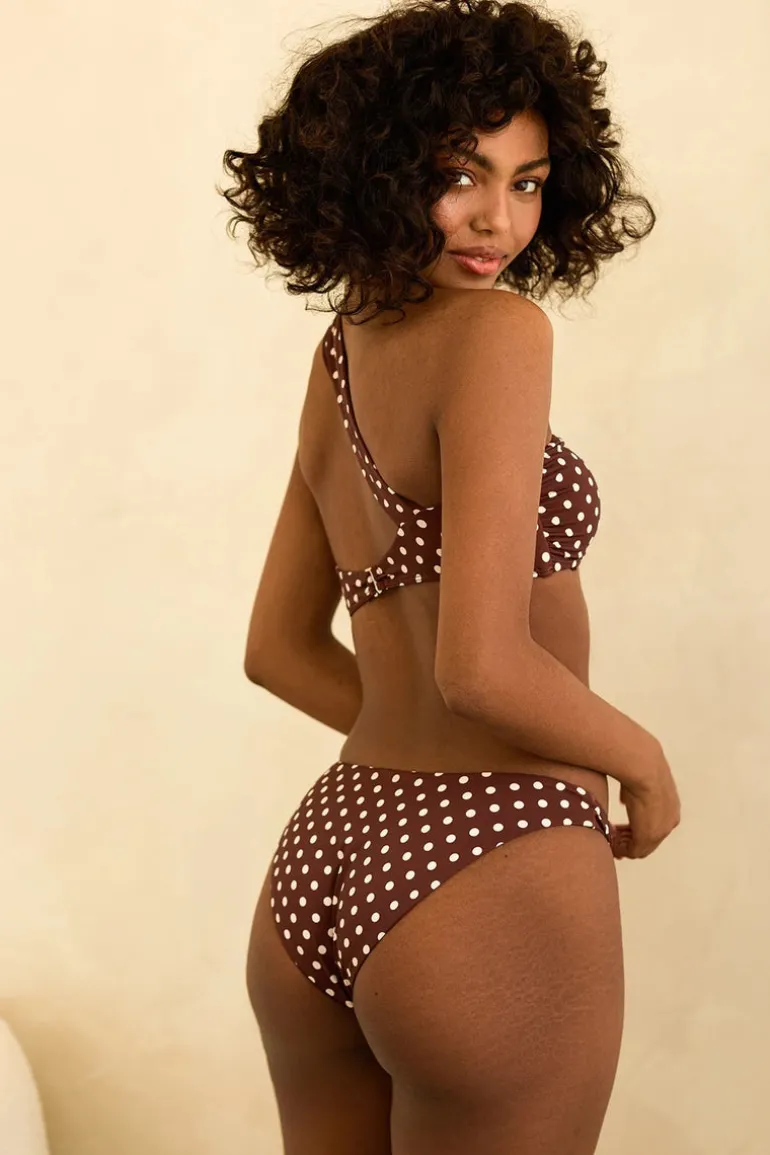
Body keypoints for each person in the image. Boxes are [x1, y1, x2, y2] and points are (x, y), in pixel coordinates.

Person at [218, 1, 681, 1151]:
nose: (496, 220)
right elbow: (478, 666)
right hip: (488, 855)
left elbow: (276, 650)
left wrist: (411, 750)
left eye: (526, 183)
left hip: (334, 844)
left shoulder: (338, 357)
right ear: (371, 172)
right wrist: (639, 761)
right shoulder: (497, 334)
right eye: (458, 174)